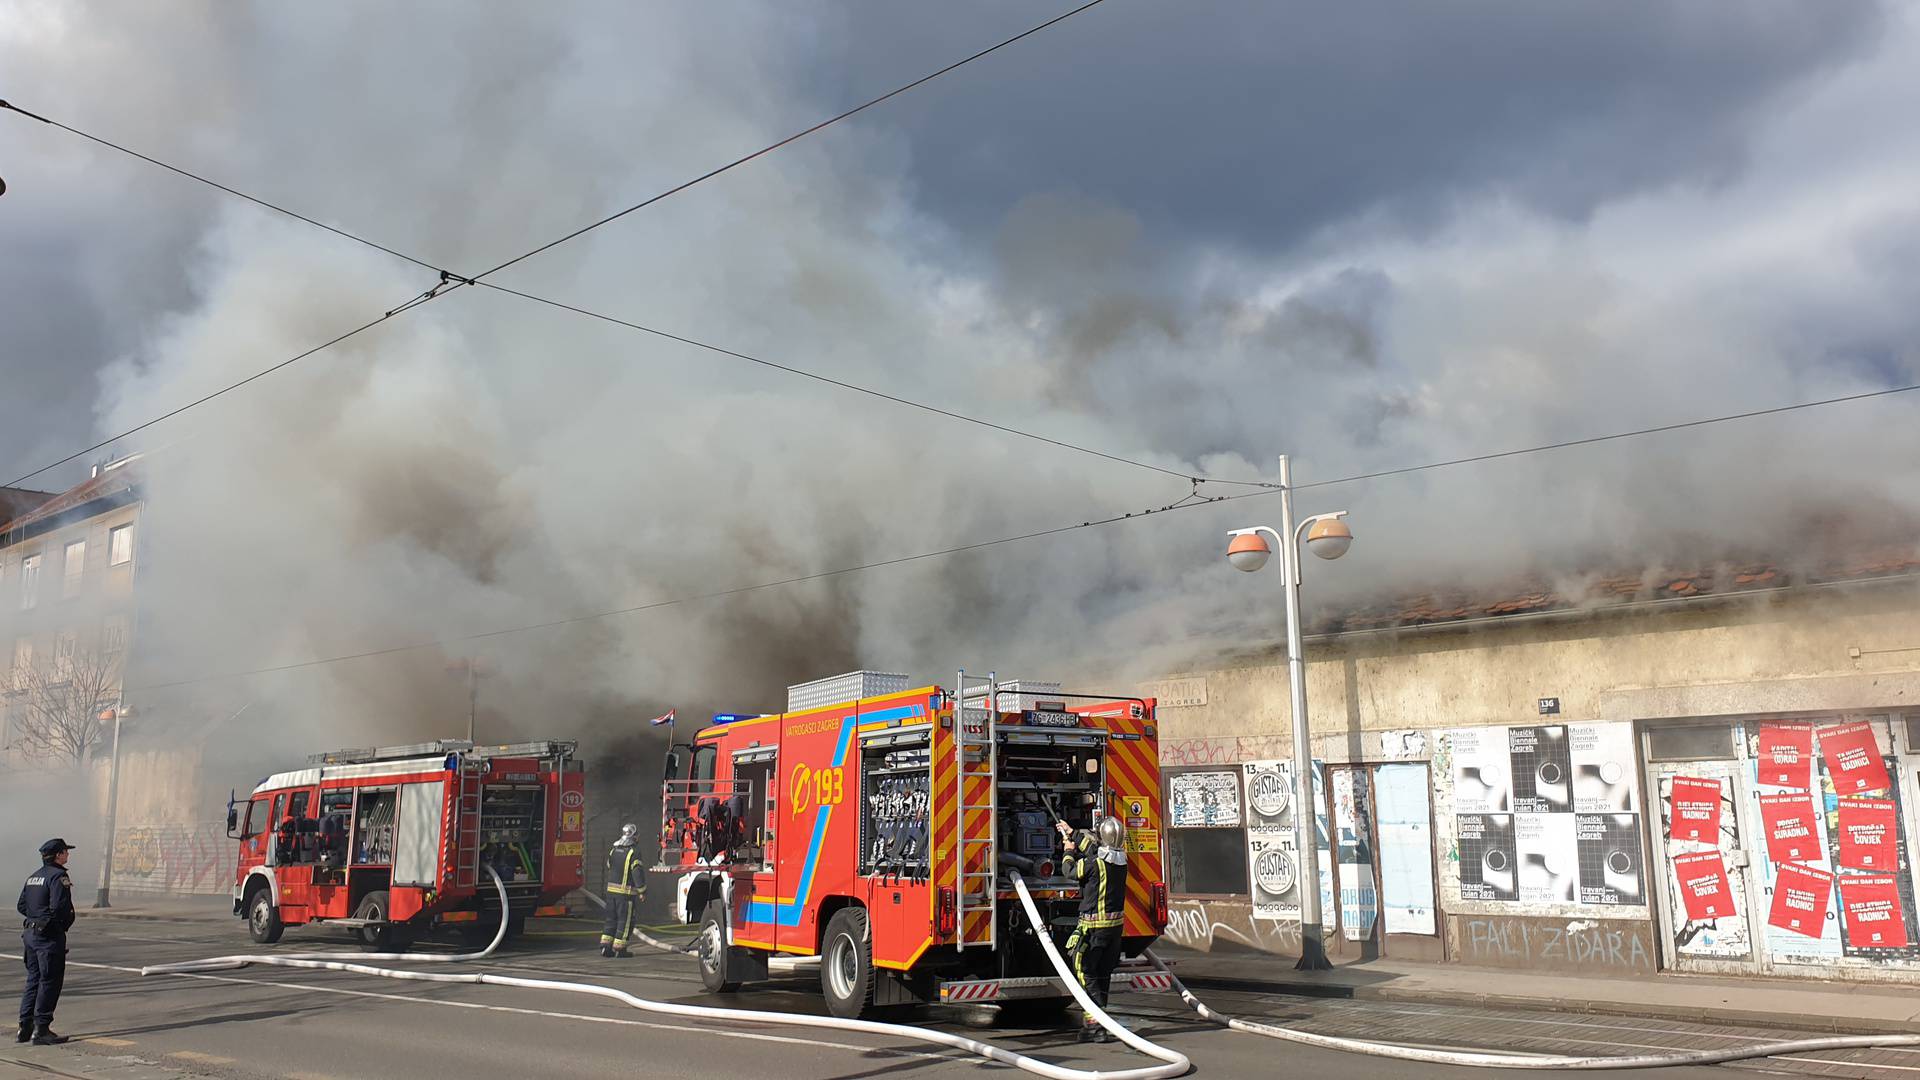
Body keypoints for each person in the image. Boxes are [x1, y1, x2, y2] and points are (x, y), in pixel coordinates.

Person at [1057, 816, 1128, 1044]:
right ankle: (1093, 1024)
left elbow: (1069, 871)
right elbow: (1097, 850)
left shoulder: (1092, 865)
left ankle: (1097, 1025)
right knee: (1102, 975)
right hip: (1114, 932)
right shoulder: (1121, 861)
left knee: (1086, 973)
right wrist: (1073, 831)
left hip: (1092, 931)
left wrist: (1068, 849)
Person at [17, 838, 76, 1046]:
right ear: (58, 855)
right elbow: (60, 908)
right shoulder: (59, 876)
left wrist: (36, 917)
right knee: (49, 981)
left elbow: (22, 905)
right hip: (48, 937)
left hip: (30, 934)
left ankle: (25, 1027)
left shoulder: (33, 877)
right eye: (65, 852)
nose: (68, 855)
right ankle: (41, 1029)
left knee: (33, 978)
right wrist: (57, 924)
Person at [600, 824, 646, 958]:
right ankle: (620, 949)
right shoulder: (634, 852)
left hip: (610, 893)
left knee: (610, 919)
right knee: (625, 921)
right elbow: (637, 872)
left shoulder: (614, 849)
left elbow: (609, 865)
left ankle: (606, 947)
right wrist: (642, 891)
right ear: (633, 836)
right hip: (625, 895)